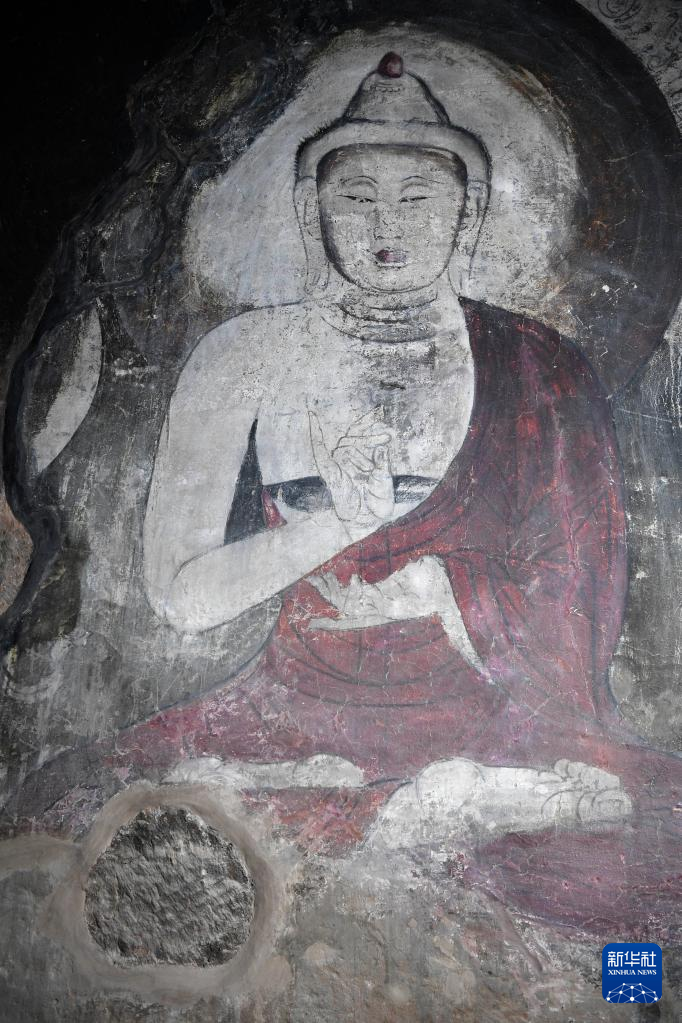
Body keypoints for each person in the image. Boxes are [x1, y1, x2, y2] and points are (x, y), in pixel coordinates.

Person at [7, 54, 681, 942]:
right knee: (61, 801)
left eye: (418, 198)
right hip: (293, 711)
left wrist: (438, 589)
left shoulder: (541, 366)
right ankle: (402, 821)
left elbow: (580, 592)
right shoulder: (243, 357)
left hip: (495, 718)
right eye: (356, 197)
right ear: (309, 208)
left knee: (656, 839)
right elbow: (179, 595)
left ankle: (429, 823)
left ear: (470, 209)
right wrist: (340, 522)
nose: (385, 226)